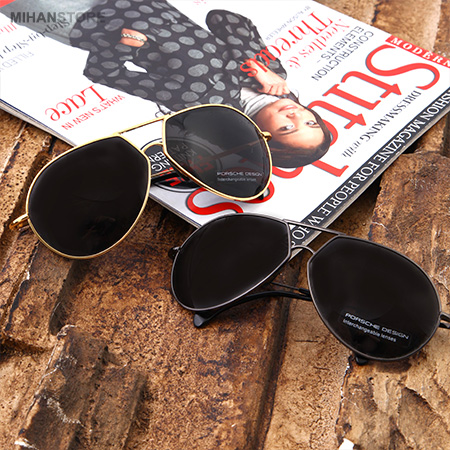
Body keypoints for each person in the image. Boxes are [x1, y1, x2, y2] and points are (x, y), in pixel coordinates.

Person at [70, 0, 331, 168]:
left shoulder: (197, 100)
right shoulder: (274, 73)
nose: (296, 116)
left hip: (86, 18)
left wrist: (128, 43)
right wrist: (254, 62)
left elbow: (102, 72)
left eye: (287, 128)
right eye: (310, 122)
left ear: (259, 136)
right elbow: (222, 18)